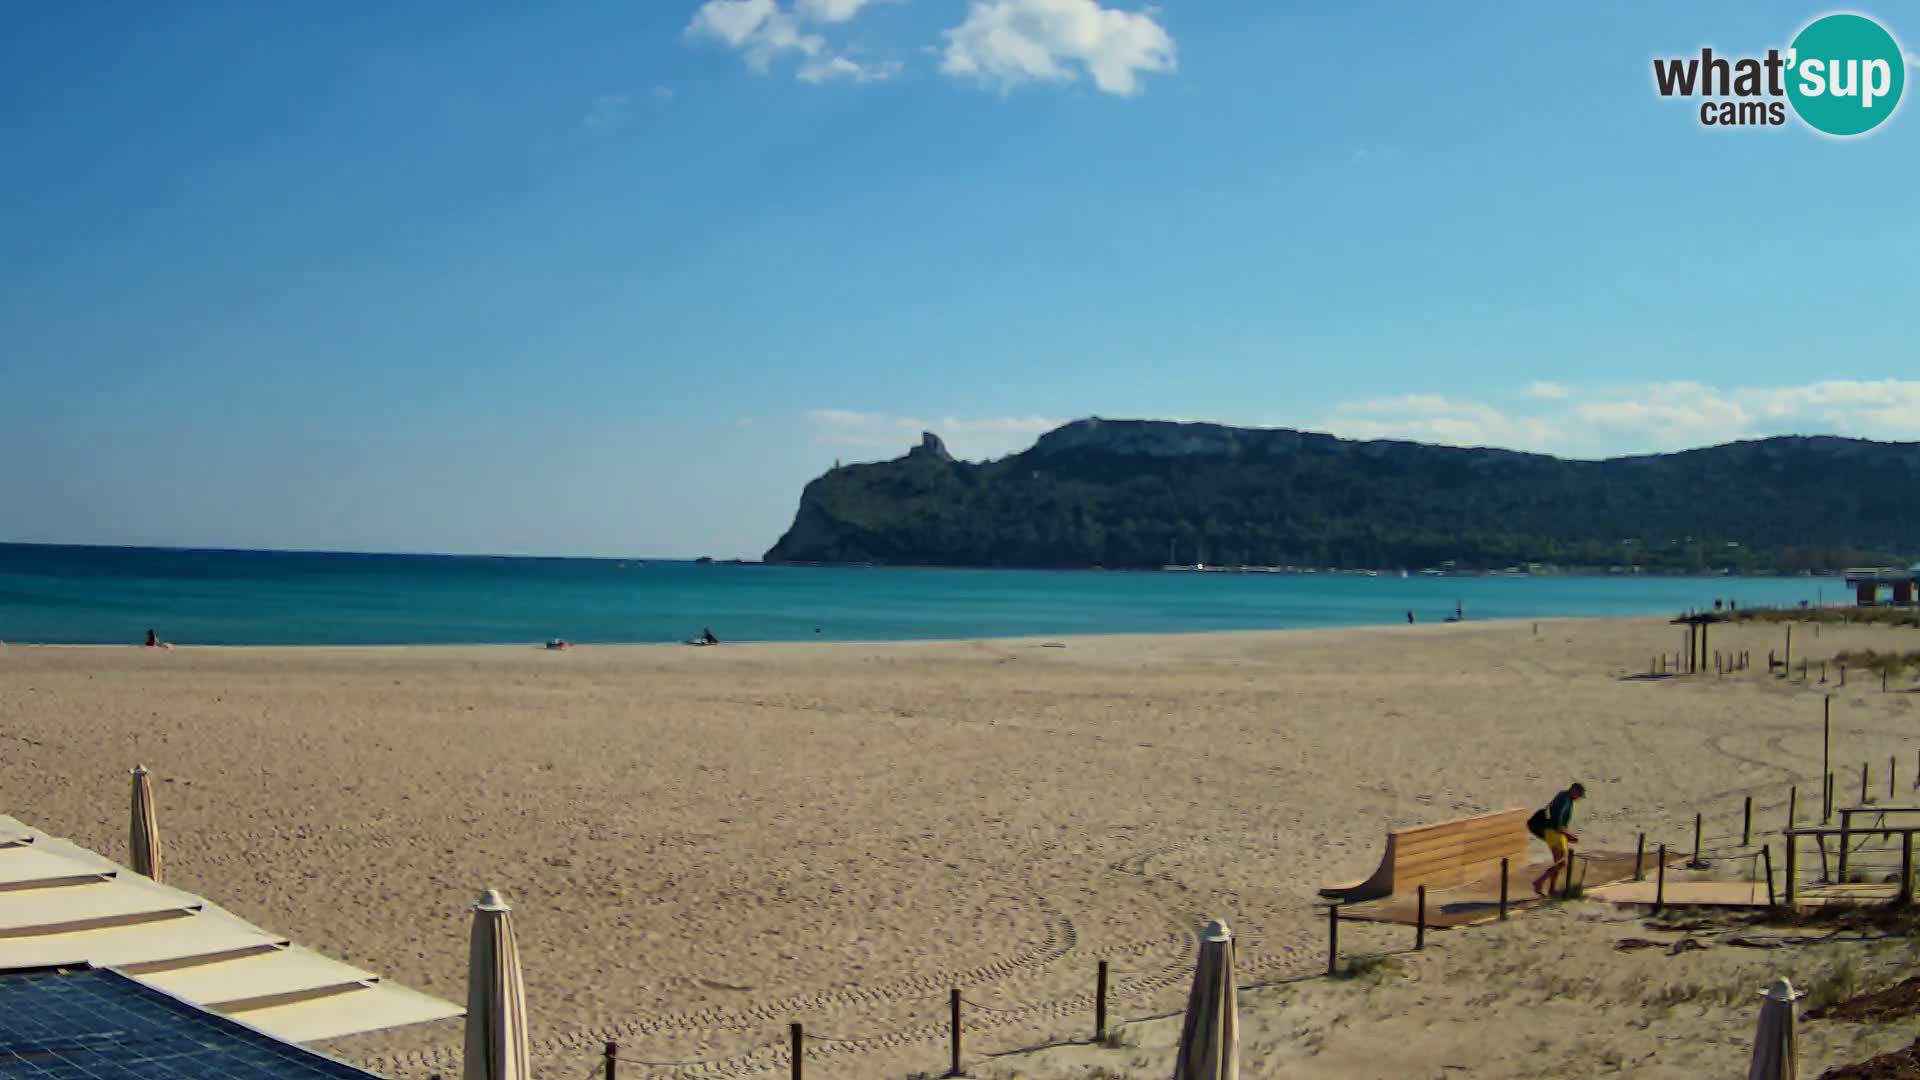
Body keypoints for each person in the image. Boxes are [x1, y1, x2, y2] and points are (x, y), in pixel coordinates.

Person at [1528, 783, 1585, 896]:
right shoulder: (1563, 799)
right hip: (1553, 832)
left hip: (1557, 833)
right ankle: (1539, 882)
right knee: (1561, 862)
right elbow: (1556, 822)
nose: (1579, 798)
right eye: (1579, 794)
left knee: (1559, 863)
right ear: (1574, 790)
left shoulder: (1567, 798)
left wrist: (1566, 834)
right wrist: (1568, 835)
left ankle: (1551, 889)